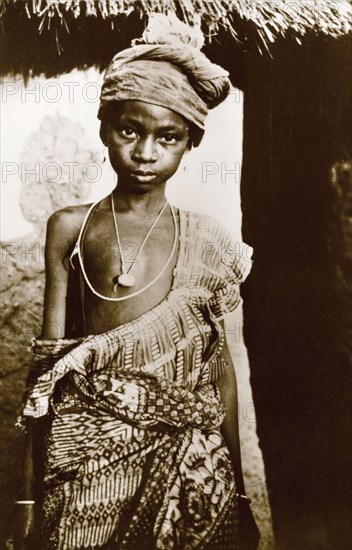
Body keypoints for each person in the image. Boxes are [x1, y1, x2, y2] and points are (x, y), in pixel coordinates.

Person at [8, 13, 259, 550]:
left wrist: (239, 494)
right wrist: (27, 497)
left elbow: (220, 375)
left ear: (189, 143)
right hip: (90, 453)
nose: (146, 152)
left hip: (191, 463)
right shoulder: (71, 228)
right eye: (130, 131)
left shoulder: (209, 242)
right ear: (104, 129)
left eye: (167, 138)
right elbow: (49, 368)